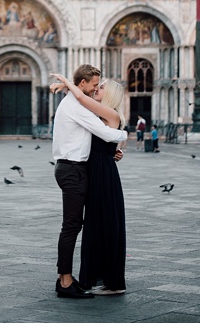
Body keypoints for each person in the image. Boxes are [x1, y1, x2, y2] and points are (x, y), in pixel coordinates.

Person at [49, 65, 128, 299]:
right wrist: (123, 137)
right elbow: (106, 134)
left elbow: (102, 134)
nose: (97, 89)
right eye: (96, 85)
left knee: (88, 226)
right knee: (73, 226)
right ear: (83, 84)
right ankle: (65, 281)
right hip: (75, 170)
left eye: (100, 87)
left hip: (89, 172)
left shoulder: (85, 106)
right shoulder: (79, 105)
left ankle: (71, 278)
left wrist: (117, 148)